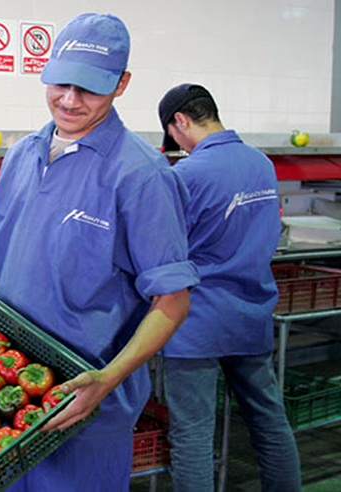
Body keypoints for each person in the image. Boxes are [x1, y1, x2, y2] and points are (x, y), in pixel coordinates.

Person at [0, 14, 199, 491]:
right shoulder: (22, 155)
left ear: (121, 84)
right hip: (3, 380)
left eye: (89, 89)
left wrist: (107, 379)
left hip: (80, 401)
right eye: (60, 83)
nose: (69, 100)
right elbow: (7, 246)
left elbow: (172, 299)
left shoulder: (141, 175)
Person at [158, 84, 301, 491]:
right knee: (270, 422)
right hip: (251, 312)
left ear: (180, 121)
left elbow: (163, 247)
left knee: (192, 436)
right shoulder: (261, 163)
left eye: (175, 137)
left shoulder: (186, 174)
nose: (180, 147)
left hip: (195, 323)